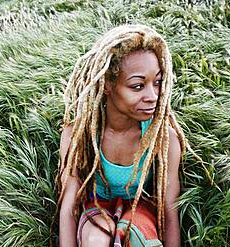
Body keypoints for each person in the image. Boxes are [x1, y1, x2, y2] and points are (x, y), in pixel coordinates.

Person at [53, 24, 187, 247]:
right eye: (137, 86)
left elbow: (169, 210)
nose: (153, 96)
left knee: (137, 241)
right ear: (107, 85)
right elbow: (68, 206)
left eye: (158, 83)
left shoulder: (164, 138)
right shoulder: (79, 135)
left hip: (141, 209)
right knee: (96, 240)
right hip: (96, 208)